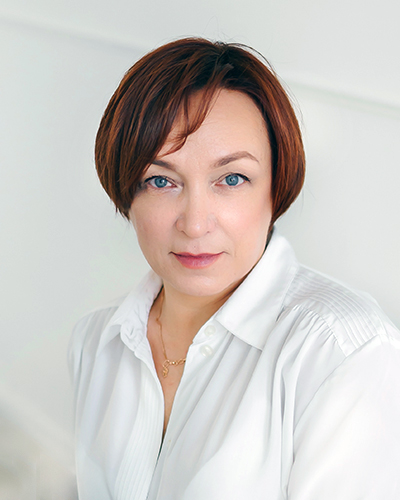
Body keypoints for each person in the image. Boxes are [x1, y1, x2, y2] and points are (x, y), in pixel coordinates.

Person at [69, 38, 400, 500]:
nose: (195, 223)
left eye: (231, 179)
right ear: (126, 191)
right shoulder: (96, 342)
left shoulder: (342, 353)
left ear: (275, 187)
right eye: (161, 180)